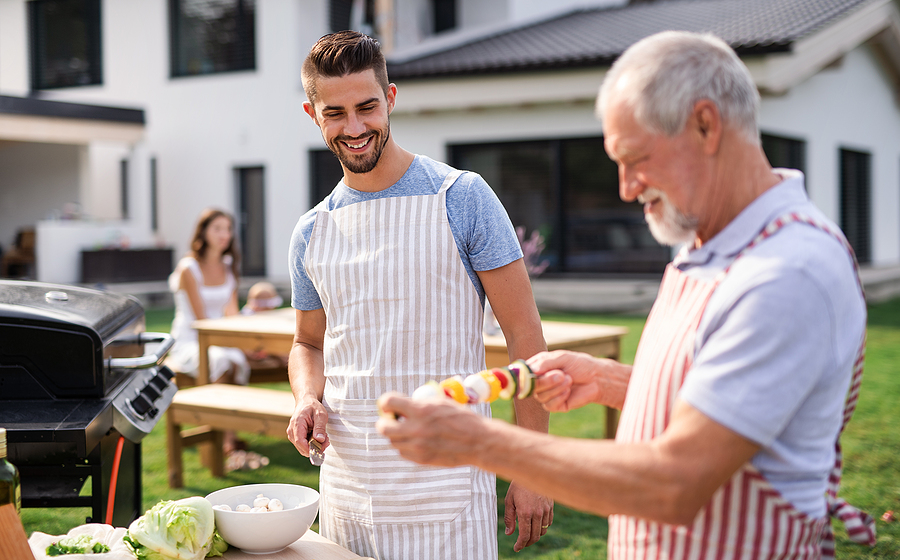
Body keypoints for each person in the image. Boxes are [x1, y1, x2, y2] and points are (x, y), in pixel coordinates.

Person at [376, 31, 876, 559]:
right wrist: (615, 382)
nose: (625, 188)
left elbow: (675, 483)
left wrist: (481, 443)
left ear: (706, 125)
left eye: (635, 158)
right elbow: (734, 399)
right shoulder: (709, 242)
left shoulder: (785, 272)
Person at [286, 30, 553, 559]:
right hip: (348, 488)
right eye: (335, 113)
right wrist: (306, 398)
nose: (355, 127)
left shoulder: (463, 198)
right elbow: (307, 344)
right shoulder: (311, 230)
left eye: (366, 107)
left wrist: (532, 467)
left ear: (390, 98)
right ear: (313, 114)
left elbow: (526, 339)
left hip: (448, 483)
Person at [166, 208, 252, 457]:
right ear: (203, 232)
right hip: (191, 339)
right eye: (217, 228)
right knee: (222, 361)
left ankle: (226, 433)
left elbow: (232, 313)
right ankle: (225, 439)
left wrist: (243, 342)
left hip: (219, 337)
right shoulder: (188, 268)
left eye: (228, 229)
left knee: (238, 361)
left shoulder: (228, 266)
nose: (224, 234)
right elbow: (201, 319)